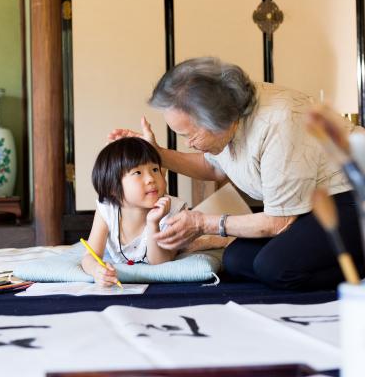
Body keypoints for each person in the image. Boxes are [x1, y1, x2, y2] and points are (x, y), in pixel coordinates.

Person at [109, 56, 365, 290]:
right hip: (307, 204)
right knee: (236, 259)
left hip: (353, 194)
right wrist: (155, 153)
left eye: (190, 135)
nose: (188, 143)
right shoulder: (227, 117)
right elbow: (213, 167)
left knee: (275, 267)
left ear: (217, 121)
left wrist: (202, 223)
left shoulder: (279, 122)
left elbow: (279, 223)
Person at [81, 137, 186, 286]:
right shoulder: (107, 209)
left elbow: (160, 263)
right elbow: (89, 256)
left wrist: (153, 223)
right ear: (112, 188)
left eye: (155, 169)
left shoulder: (173, 210)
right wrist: (96, 270)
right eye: (137, 172)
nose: (151, 178)